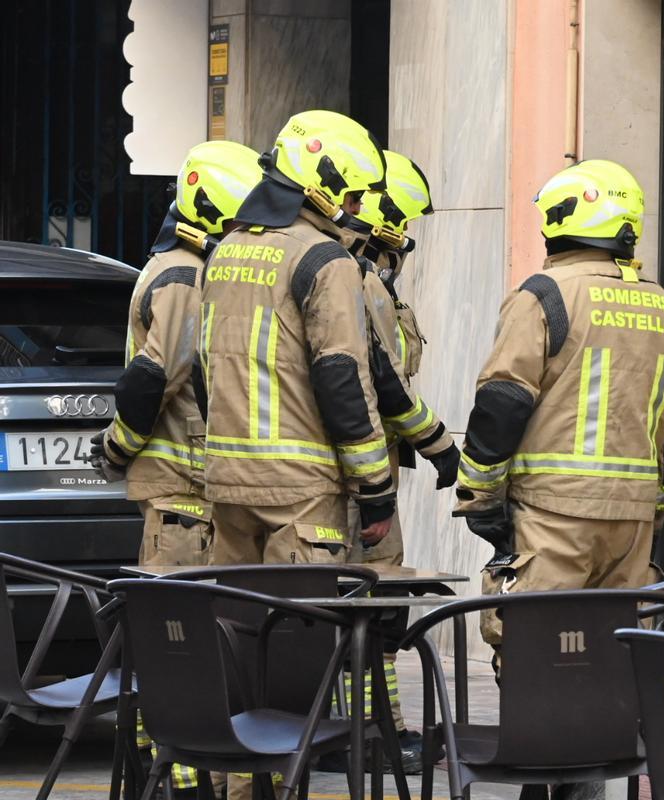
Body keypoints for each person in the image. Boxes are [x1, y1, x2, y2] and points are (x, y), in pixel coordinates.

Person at [453, 159, 664, 663]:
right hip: (631, 520)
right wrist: (655, 508)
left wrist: (479, 495)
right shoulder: (663, 307)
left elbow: (503, 402)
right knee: (614, 650)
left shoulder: (543, 296)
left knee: (537, 651)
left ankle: (542, 742)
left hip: (552, 514)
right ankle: (608, 742)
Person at [90, 138, 262, 797]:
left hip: (188, 493)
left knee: (178, 645)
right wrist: (119, 446)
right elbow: (156, 376)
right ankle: (176, 782)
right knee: (179, 648)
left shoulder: (185, 269)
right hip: (184, 494)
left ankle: (173, 777)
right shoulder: (186, 277)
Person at [195, 109, 395, 566]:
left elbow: (199, 369)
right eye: (354, 195)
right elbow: (341, 376)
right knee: (298, 633)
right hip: (300, 491)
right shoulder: (326, 259)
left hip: (227, 483)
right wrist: (376, 488)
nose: (359, 209)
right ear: (323, 182)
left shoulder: (226, 250)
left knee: (235, 627)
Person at [339, 149, 459, 773]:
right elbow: (383, 384)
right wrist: (439, 442)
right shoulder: (357, 282)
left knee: (375, 612)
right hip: (360, 477)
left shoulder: (368, 282)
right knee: (369, 612)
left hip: (371, 469)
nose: (408, 241)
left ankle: (380, 730)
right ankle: (368, 734)